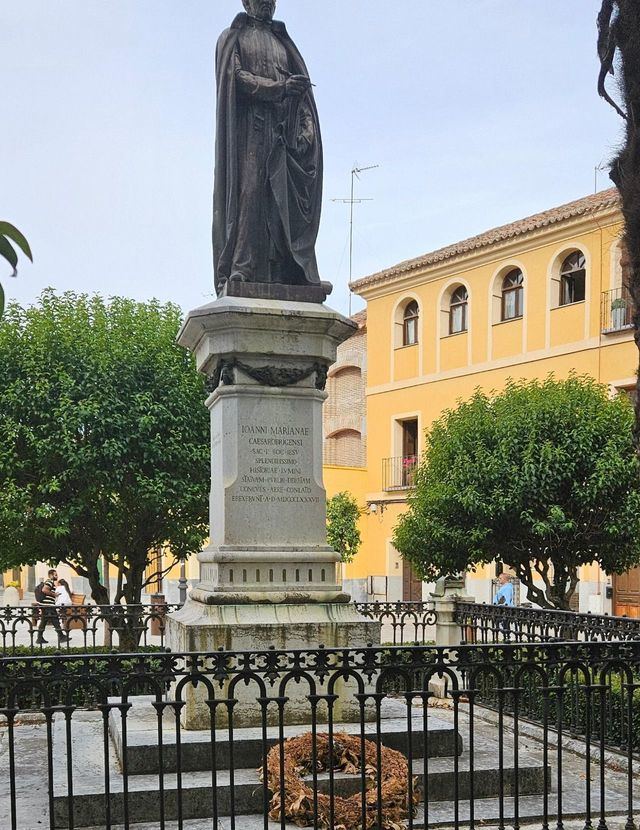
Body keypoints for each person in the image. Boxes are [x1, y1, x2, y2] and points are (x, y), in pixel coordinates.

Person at [213, 0, 323, 293]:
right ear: (247, 2)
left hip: (283, 131)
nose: (267, 4)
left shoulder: (283, 43)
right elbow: (236, 78)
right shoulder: (233, 37)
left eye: (272, 0)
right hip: (250, 129)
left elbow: (301, 95)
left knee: (282, 199)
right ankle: (242, 268)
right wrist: (279, 89)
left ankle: (290, 270)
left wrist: (304, 122)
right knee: (250, 193)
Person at [36, 568, 69, 644]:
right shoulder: (49, 581)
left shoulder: (49, 582)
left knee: (43, 622)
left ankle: (39, 638)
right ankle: (61, 637)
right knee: (55, 620)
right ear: (51, 575)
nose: (57, 576)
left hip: (45, 605)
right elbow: (44, 590)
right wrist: (54, 594)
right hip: (48, 605)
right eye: (55, 575)